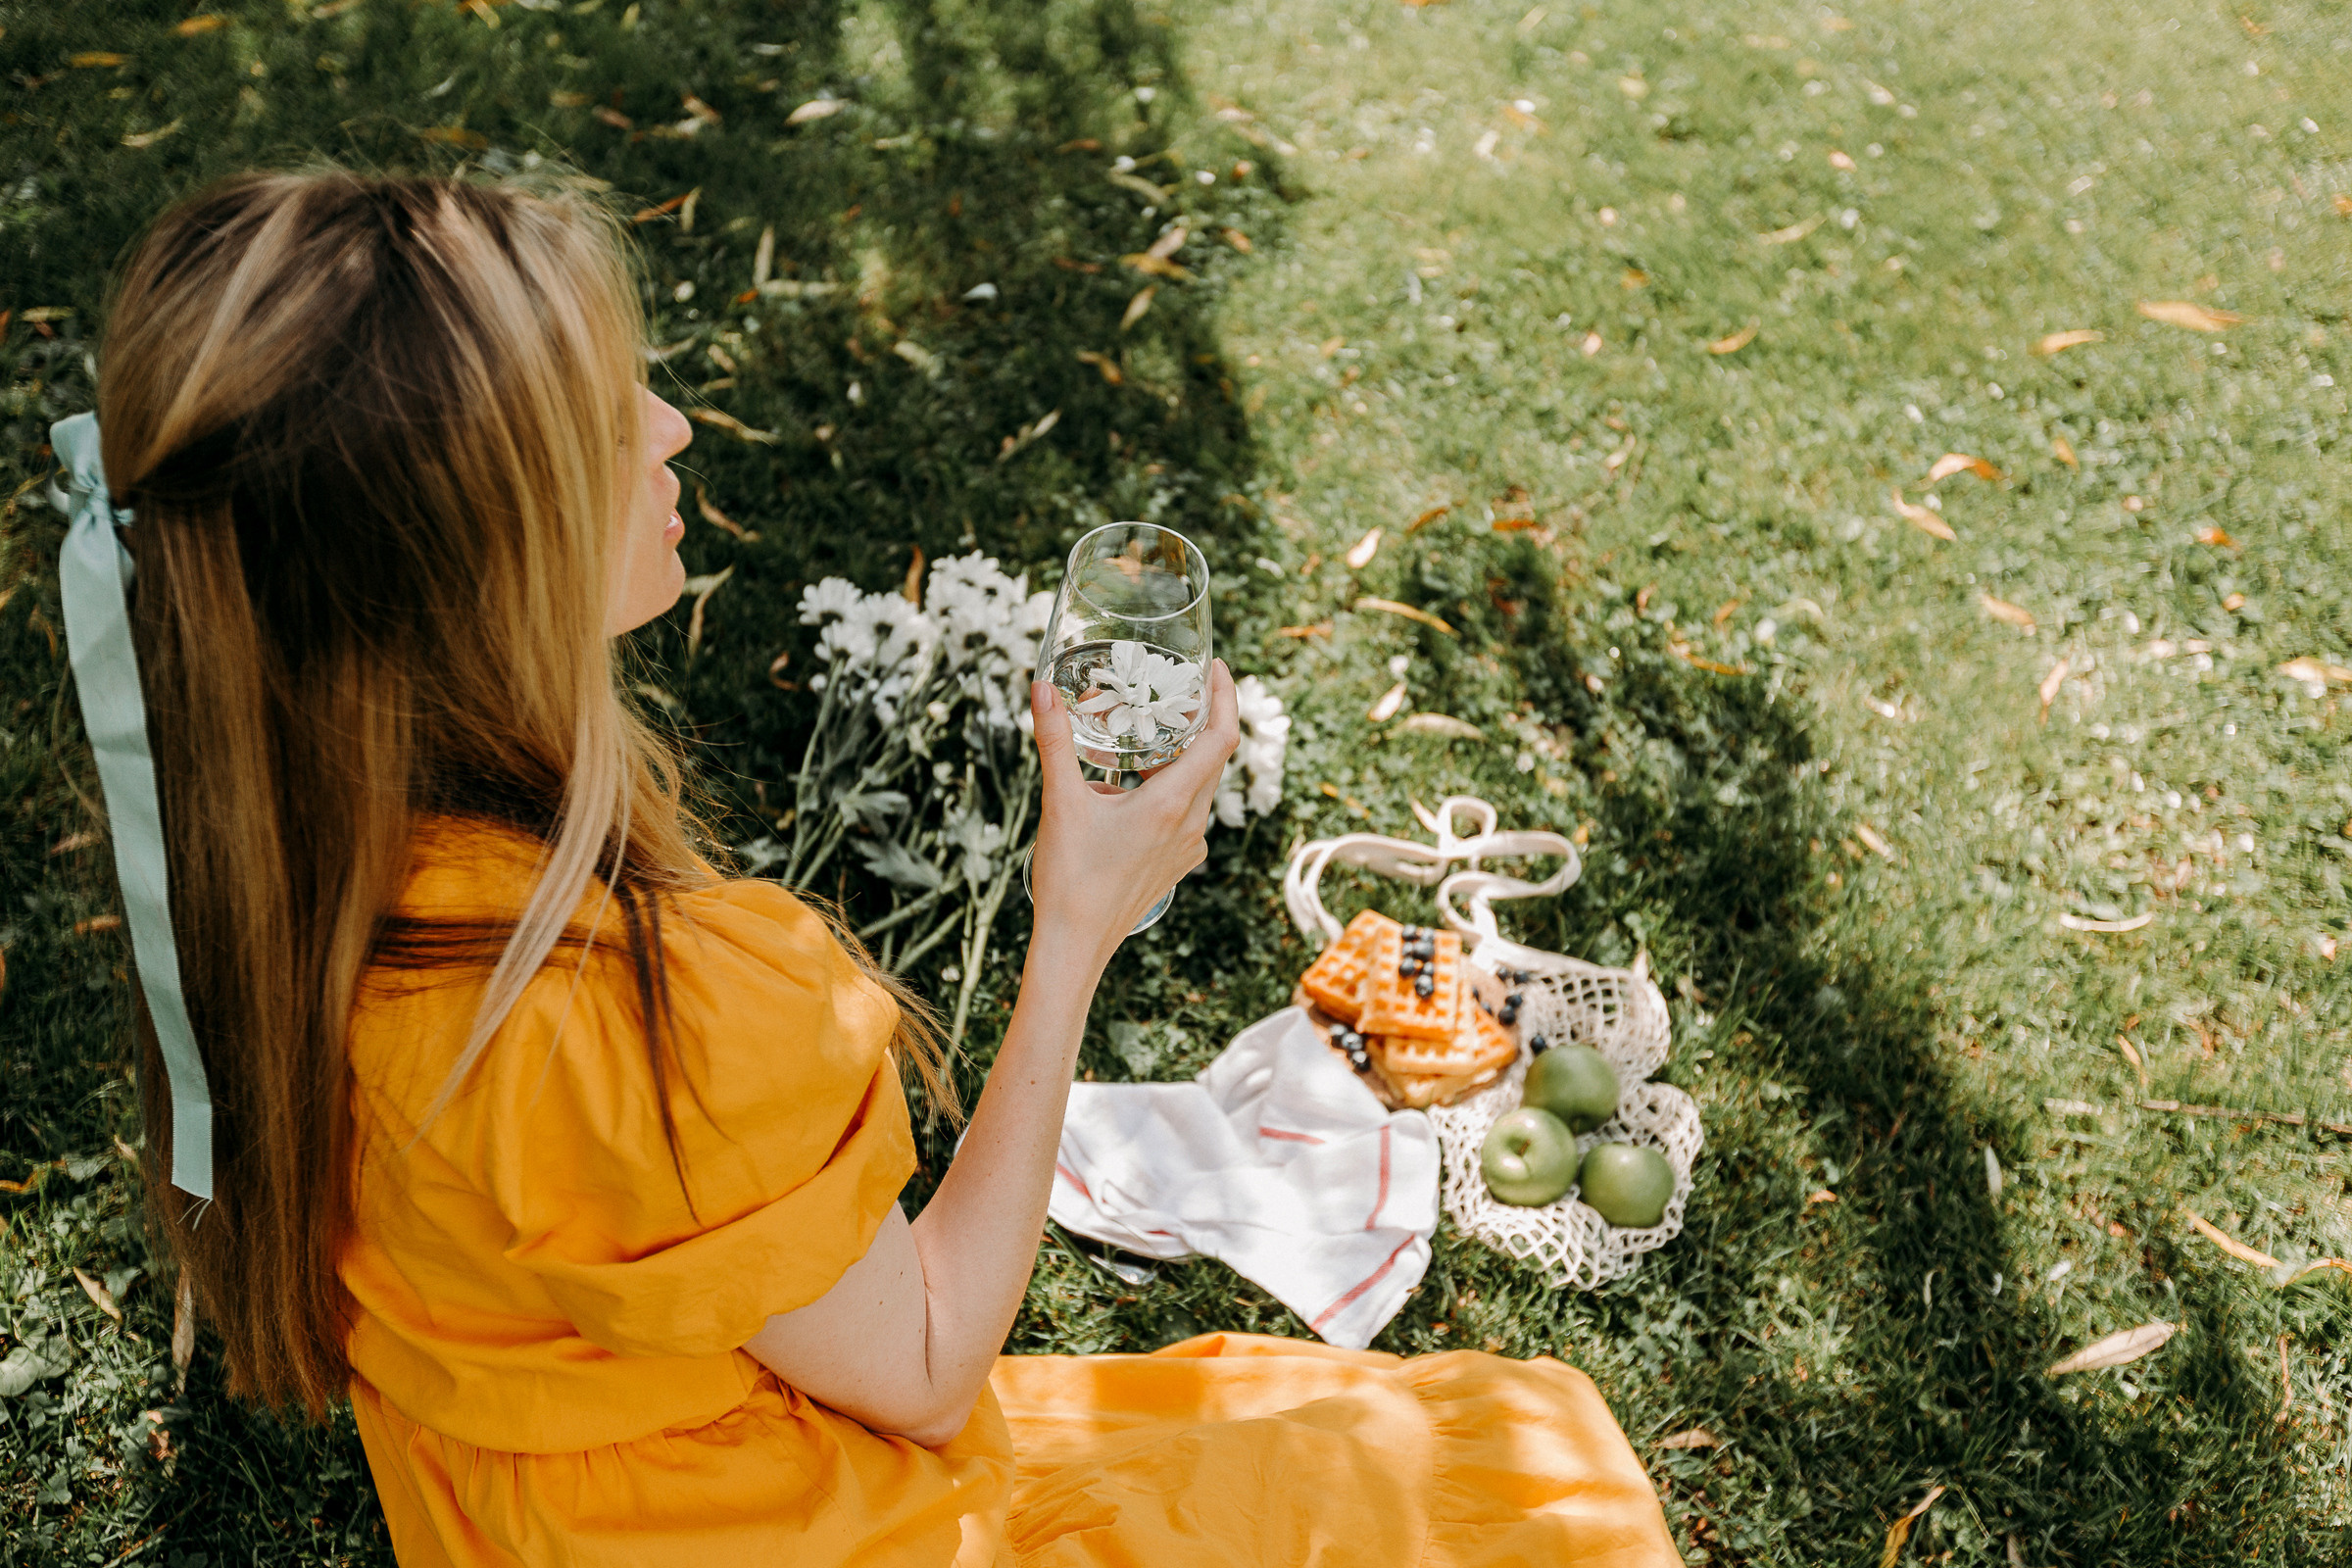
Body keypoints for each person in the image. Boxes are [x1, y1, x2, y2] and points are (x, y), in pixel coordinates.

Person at [76, 171, 1683, 1566]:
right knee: (1493, 1505)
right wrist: (1074, 928)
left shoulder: (274, 866)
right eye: (600, 418)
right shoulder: (636, 1020)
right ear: (487, 567)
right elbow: (919, 1363)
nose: (671, 425)